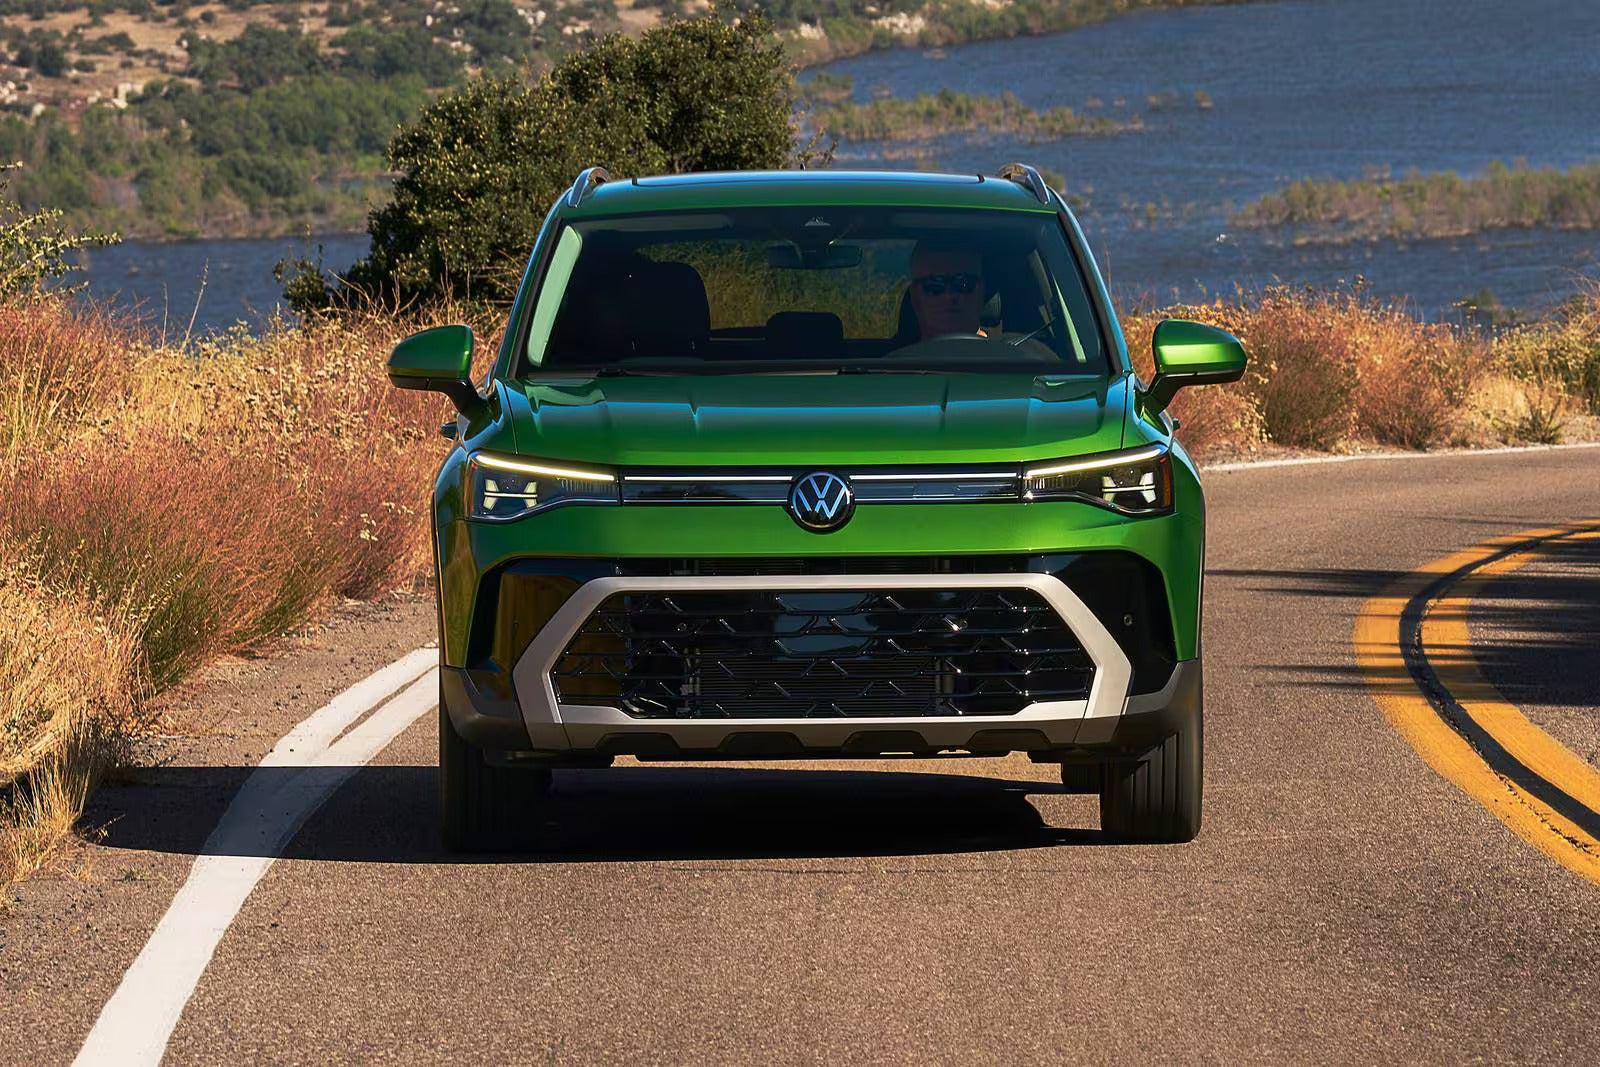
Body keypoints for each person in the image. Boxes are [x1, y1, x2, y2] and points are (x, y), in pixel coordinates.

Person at [907, 240, 987, 340]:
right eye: (935, 284)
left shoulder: (1005, 354)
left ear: (981, 292)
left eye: (963, 283)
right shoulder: (892, 356)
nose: (950, 295)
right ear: (915, 296)